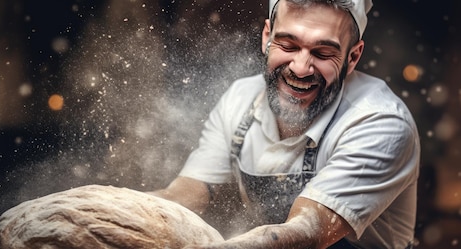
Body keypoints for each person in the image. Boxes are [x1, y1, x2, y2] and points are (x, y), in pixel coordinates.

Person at [147, 0, 420, 248]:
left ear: (352, 57)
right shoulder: (240, 99)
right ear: (267, 37)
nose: (300, 69)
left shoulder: (381, 122)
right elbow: (186, 194)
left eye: (323, 53)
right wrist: (114, 207)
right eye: (288, 45)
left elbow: (307, 232)